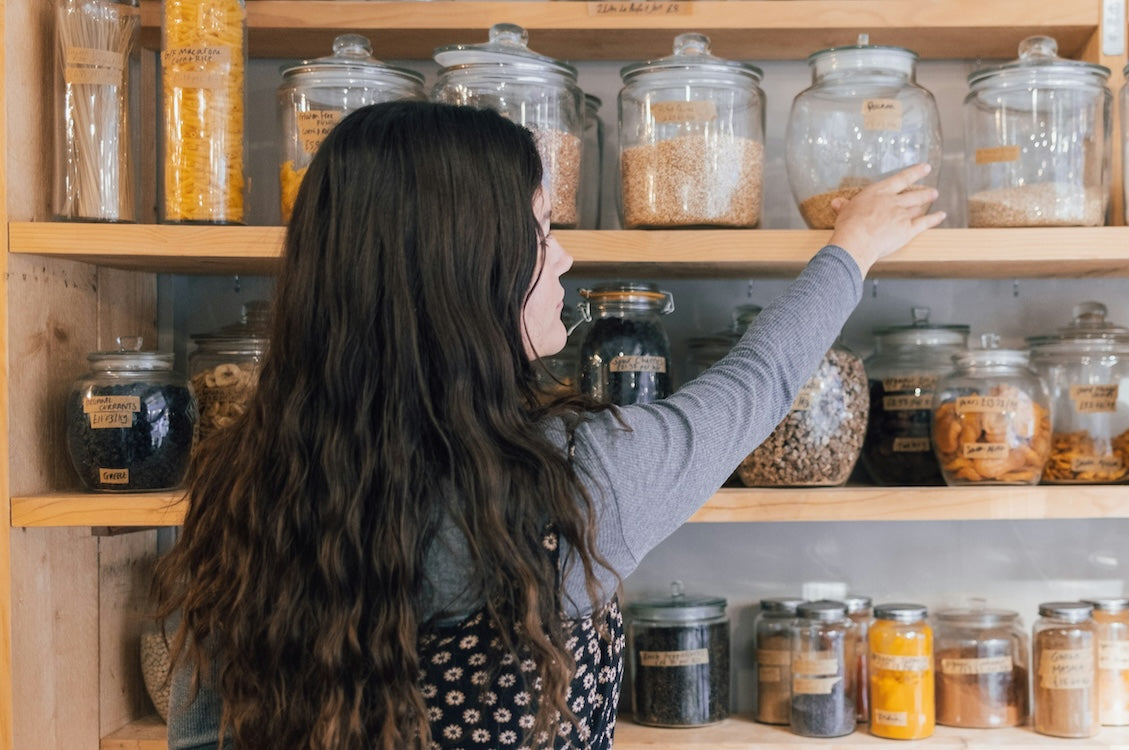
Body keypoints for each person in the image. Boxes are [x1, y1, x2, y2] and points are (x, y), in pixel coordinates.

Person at [153, 100, 943, 750]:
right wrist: (854, 249)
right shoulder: (565, 487)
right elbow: (754, 386)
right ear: (469, 272)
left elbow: (196, 735)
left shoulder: (245, 478)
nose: (563, 260)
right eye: (540, 233)